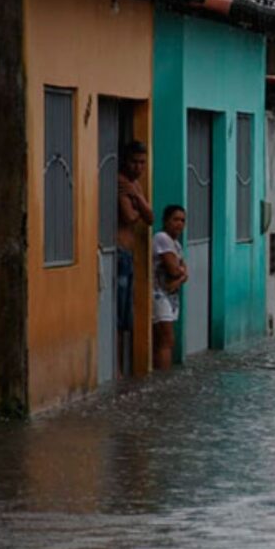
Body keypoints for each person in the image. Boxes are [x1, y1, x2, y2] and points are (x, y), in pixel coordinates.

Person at [117, 141, 154, 375]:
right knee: (119, 316)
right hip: (119, 253)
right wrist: (137, 202)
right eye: (134, 162)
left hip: (128, 255)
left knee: (126, 317)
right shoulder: (121, 183)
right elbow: (130, 217)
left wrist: (138, 198)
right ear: (125, 160)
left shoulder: (134, 186)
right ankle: (118, 369)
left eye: (142, 163)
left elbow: (150, 216)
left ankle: (123, 370)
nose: (138, 167)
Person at [153, 205, 188, 370]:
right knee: (167, 340)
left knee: (163, 340)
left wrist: (180, 276)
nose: (179, 224)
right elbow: (175, 270)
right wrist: (180, 275)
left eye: (182, 220)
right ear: (166, 221)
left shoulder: (176, 244)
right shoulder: (162, 238)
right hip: (158, 294)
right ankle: (163, 380)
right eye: (175, 219)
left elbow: (184, 269)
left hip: (169, 295)